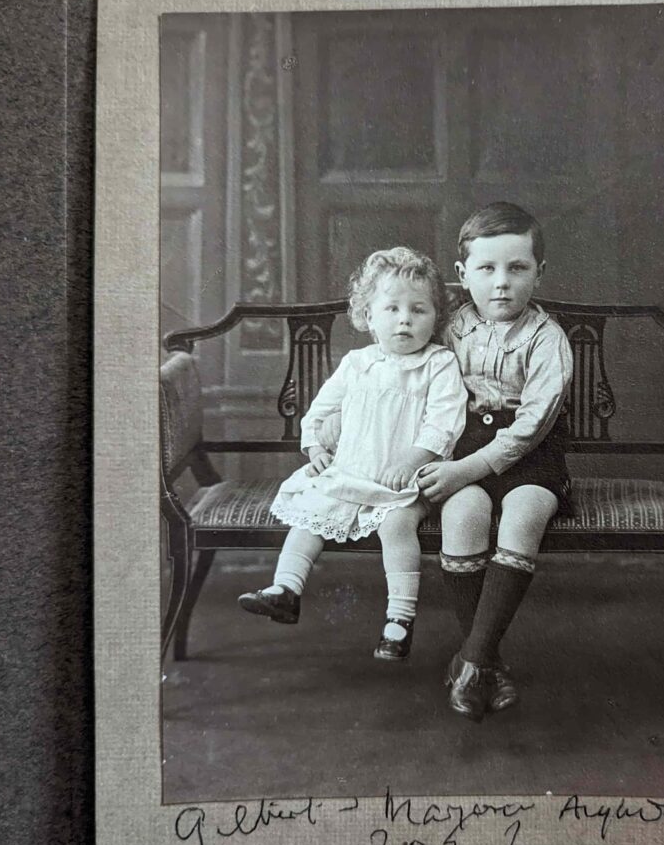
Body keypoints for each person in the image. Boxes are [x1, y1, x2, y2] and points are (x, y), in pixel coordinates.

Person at [238, 247, 467, 661]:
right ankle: (286, 589)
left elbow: (444, 422)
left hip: (406, 481)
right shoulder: (357, 363)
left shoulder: (439, 364)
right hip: (352, 472)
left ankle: (399, 620)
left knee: (397, 526)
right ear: (368, 316)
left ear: (435, 318)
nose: (404, 319)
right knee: (311, 514)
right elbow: (319, 411)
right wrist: (315, 447)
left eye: (418, 310)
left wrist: (412, 460)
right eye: (392, 308)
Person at [417, 203, 574, 721]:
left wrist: (465, 470)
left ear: (539, 272)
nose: (501, 282)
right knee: (463, 514)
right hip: (461, 448)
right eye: (487, 268)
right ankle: (486, 661)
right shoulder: (449, 328)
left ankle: (470, 661)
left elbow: (532, 426)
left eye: (517, 267)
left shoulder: (547, 339)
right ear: (462, 275)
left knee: (525, 512)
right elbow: (412, 380)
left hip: (531, 456)